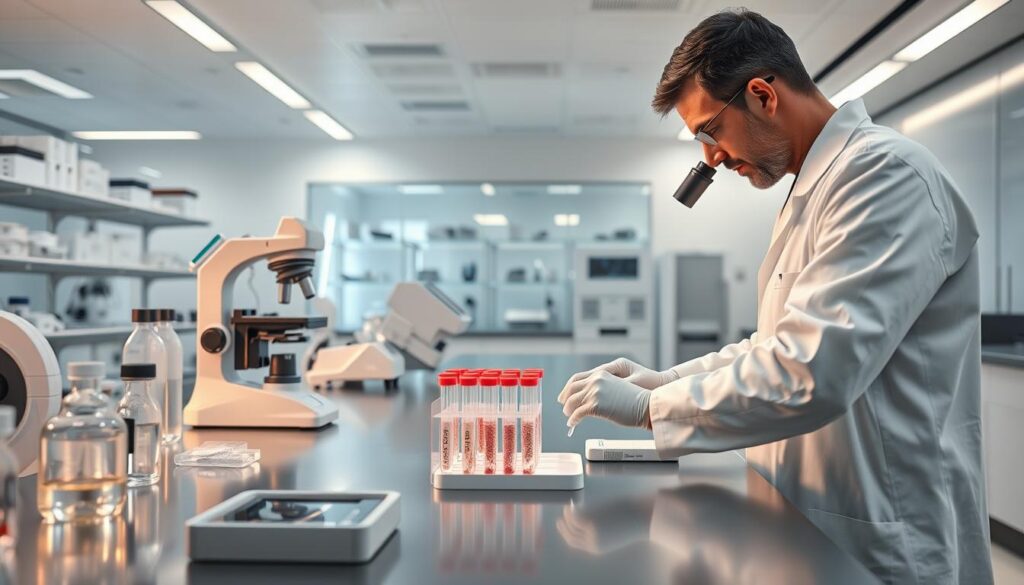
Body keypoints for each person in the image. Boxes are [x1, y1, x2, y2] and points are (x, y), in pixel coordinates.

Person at [558, 9, 992, 585]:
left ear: (762, 95)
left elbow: (812, 371)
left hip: (884, 539)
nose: (710, 157)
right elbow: (774, 346)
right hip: (810, 527)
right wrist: (663, 382)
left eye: (710, 132)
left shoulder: (886, 176)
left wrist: (649, 410)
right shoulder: (818, 189)